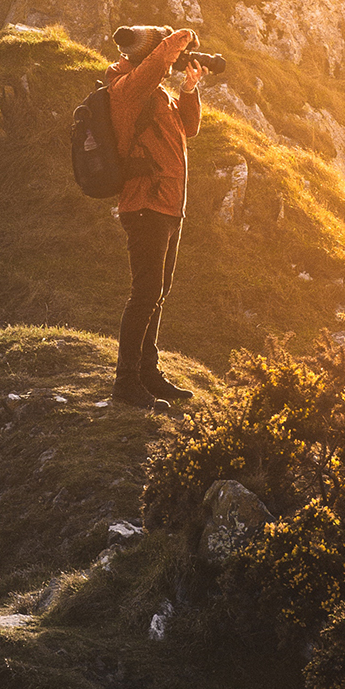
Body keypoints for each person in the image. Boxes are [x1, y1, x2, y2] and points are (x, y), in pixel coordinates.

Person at [106, 24, 204, 409]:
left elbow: (189, 128)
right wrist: (182, 37)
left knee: (156, 295)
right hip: (145, 204)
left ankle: (148, 374)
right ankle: (125, 383)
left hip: (167, 205)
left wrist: (189, 89)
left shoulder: (156, 95)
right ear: (146, 57)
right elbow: (155, 63)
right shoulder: (125, 88)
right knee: (144, 295)